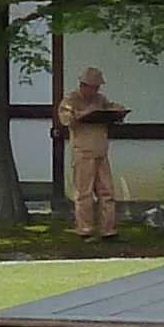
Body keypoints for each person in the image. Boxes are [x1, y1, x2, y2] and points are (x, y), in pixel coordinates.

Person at [56, 67, 128, 238]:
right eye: (93, 87)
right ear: (83, 85)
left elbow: (111, 107)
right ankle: (85, 230)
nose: (95, 90)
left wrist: (118, 111)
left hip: (101, 151)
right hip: (83, 152)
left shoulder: (100, 99)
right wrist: (82, 115)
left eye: (97, 87)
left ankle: (108, 230)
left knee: (107, 192)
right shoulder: (70, 100)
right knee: (84, 193)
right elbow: (66, 119)